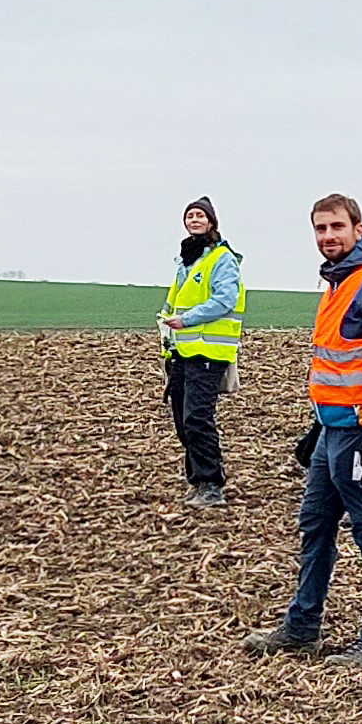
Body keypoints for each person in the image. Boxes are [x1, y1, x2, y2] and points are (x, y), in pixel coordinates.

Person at [242, 194, 362, 665]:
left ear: (359, 229)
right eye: (320, 229)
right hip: (332, 430)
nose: (328, 236)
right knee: (314, 524)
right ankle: (302, 626)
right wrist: (317, 428)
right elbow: (335, 366)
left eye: (337, 226)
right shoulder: (336, 285)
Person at [156, 197, 243, 506]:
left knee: (197, 418)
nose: (193, 220)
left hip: (208, 352)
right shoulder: (186, 260)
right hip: (181, 351)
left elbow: (225, 300)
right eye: (189, 215)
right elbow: (175, 303)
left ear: (211, 222)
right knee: (182, 420)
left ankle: (211, 484)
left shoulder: (221, 259)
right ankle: (196, 481)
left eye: (199, 215)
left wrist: (187, 320)